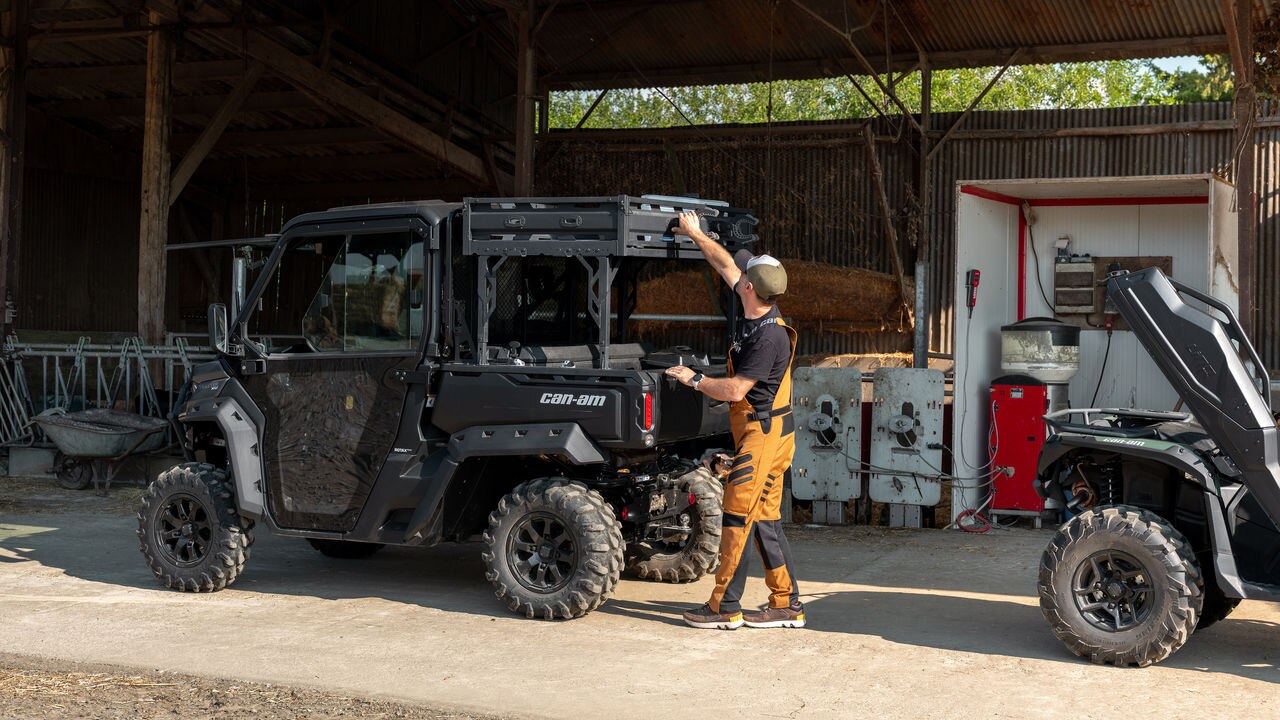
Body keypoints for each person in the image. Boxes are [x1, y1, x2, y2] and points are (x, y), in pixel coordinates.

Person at [664, 209, 804, 630]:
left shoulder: (768, 337)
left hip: (763, 434)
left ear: (749, 287)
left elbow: (736, 390)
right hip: (769, 430)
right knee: (765, 519)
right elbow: (726, 262)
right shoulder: (759, 304)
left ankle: (724, 606)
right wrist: (696, 233)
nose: (740, 270)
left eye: (747, 271)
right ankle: (786, 603)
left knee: (737, 517)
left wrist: (696, 379)